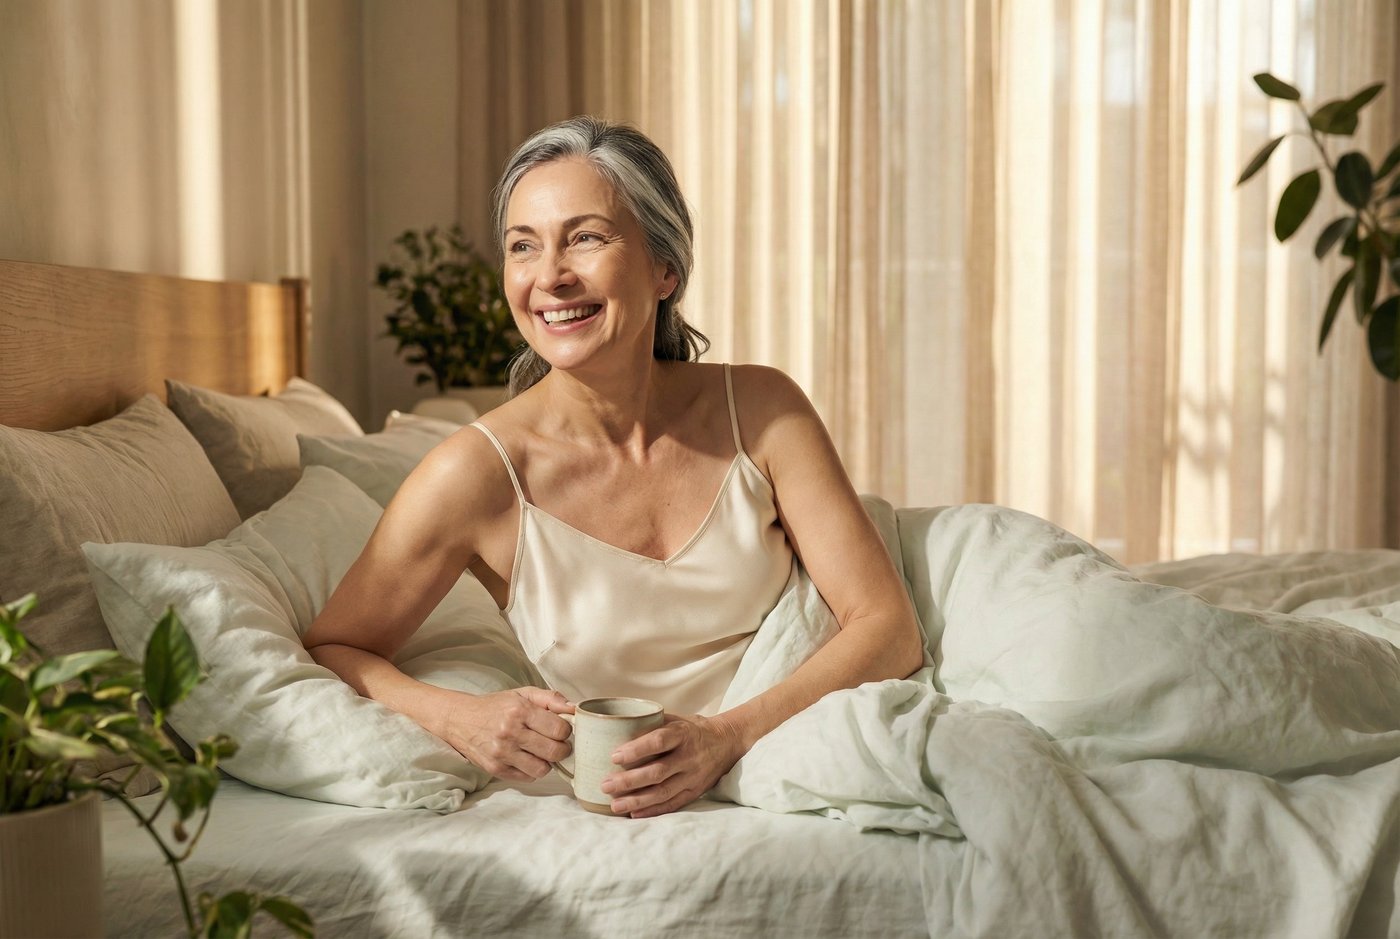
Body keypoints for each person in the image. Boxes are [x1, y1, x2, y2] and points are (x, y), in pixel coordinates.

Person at [302, 116, 924, 818]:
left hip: (793, 747)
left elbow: (889, 626)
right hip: (622, 797)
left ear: (666, 268)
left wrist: (724, 737)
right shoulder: (474, 474)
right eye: (523, 246)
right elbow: (332, 645)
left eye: (586, 237)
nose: (550, 277)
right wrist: (455, 715)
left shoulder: (761, 408)